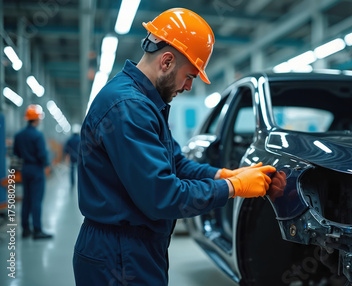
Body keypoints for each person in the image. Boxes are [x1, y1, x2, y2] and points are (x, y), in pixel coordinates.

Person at [73, 8, 275, 285]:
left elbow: (175, 163)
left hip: (132, 247)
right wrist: (233, 188)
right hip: (119, 255)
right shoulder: (129, 107)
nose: (189, 86)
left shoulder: (145, 103)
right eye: (190, 75)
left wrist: (221, 175)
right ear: (167, 61)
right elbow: (163, 196)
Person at [13, 104, 53, 239]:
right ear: (36, 120)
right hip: (36, 169)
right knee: (36, 200)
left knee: (27, 199)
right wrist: (47, 165)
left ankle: (25, 229)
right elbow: (42, 154)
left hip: (25, 169)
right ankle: (37, 230)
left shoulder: (19, 136)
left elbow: (16, 153)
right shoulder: (38, 135)